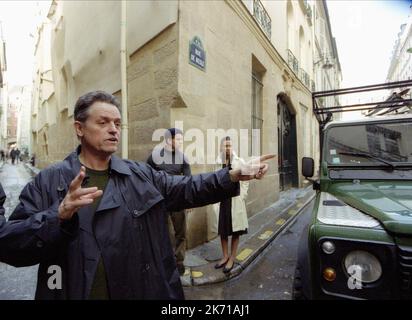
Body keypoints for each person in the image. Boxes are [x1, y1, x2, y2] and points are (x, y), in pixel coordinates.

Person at [0, 90, 274, 300]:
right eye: (103, 122)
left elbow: (186, 188)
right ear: (79, 128)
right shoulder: (49, 181)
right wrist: (57, 216)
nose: (113, 129)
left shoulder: (140, 174)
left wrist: (231, 175)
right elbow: (10, 244)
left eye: (117, 123)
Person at [147, 128, 191, 276]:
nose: (180, 142)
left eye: (181, 139)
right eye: (178, 139)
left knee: (181, 232)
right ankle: (165, 261)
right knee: (163, 232)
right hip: (160, 201)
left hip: (178, 200)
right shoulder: (154, 157)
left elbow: (188, 181)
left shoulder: (183, 158)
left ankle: (179, 261)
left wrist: (188, 201)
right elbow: (147, 178)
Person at [214, 137, 249, 274]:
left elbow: (246, 181)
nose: (227, 148)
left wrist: (242, 196)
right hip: (223, 200)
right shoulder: (218, 163)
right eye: (225, 146)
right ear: (221, 148)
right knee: (223, 230)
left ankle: (232, 258)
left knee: (236, 231)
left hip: (235, 200)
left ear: (232, 147)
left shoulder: (239, 162)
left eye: (229, 145)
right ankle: (225, 256)